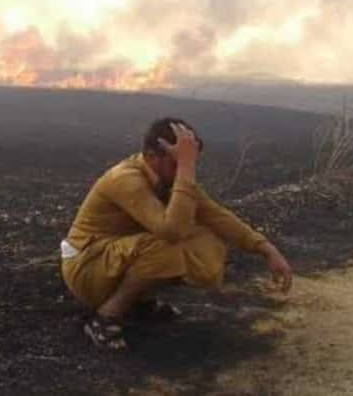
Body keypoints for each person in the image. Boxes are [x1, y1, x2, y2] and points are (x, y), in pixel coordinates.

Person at [60, 117, 293, 349]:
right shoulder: (125, 179)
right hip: (86, 267)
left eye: (188, 163)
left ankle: (138, 302)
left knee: (205, 241)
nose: (185, 171)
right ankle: (105, 317)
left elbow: (216, 215)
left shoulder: (167, 179)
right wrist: (186, 169)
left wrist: (266, 249)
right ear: (152, 156)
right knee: (166, 245)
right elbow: (172, 231)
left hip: (111, 260)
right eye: (178, 163)